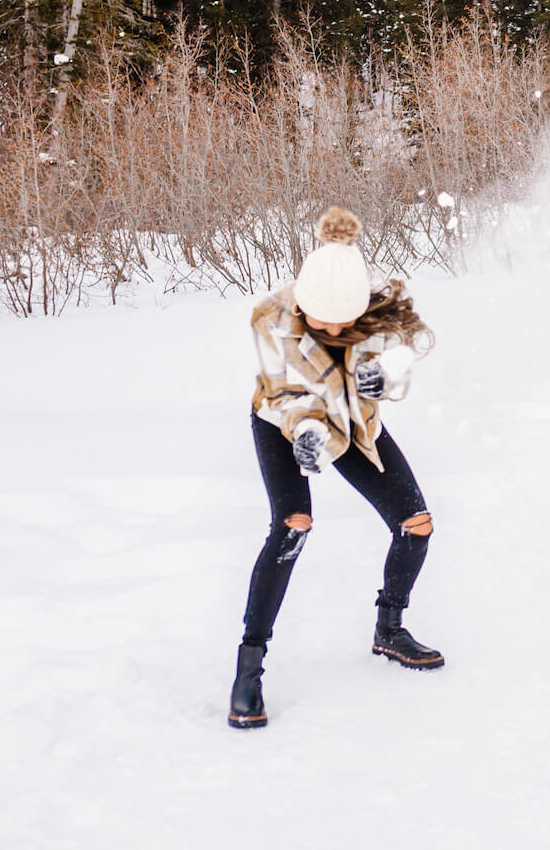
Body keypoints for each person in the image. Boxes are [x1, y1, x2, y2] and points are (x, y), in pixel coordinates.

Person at [228, 206, 442, 730]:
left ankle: (389, 629)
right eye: (318, 317)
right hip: (284, 421)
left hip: (354, 425)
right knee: (293, 524)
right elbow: (286, 394)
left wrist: (383, 377)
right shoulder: (272, 320)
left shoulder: (378, 314)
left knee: (417, 525)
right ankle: (249, 667)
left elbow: (405, 357)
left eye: (338, 320)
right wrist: (306, 435)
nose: (327, 326)